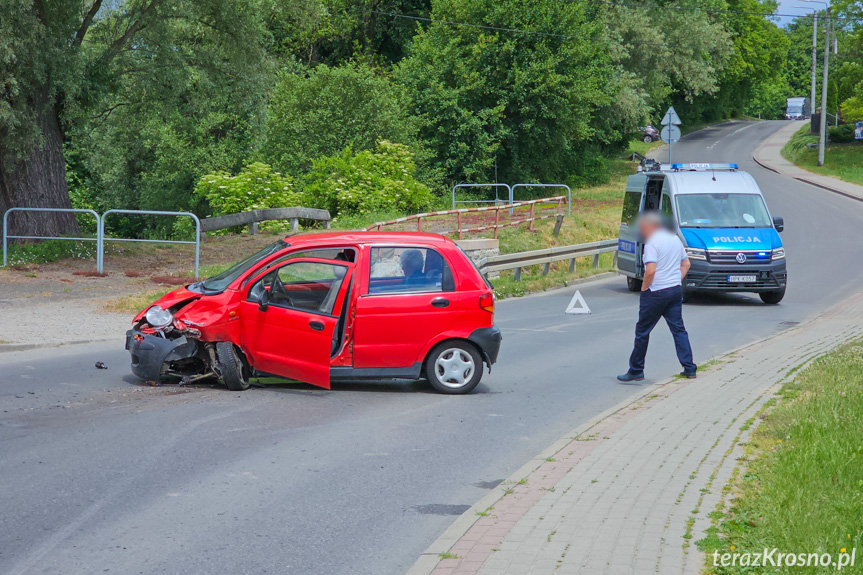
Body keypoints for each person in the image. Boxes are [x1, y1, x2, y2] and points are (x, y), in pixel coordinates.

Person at [618, 211, 697, 382]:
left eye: (642, 228)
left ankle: (636, 369)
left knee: (642, 331)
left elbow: (651, 270)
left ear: (651, 226)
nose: (642, 232)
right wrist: (675, 279)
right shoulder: (675, 239)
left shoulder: (652, 243)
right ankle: (689, 367)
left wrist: (645, 288)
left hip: (656, 292)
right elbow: (686, 264)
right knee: (678, 329)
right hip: (674, 290)